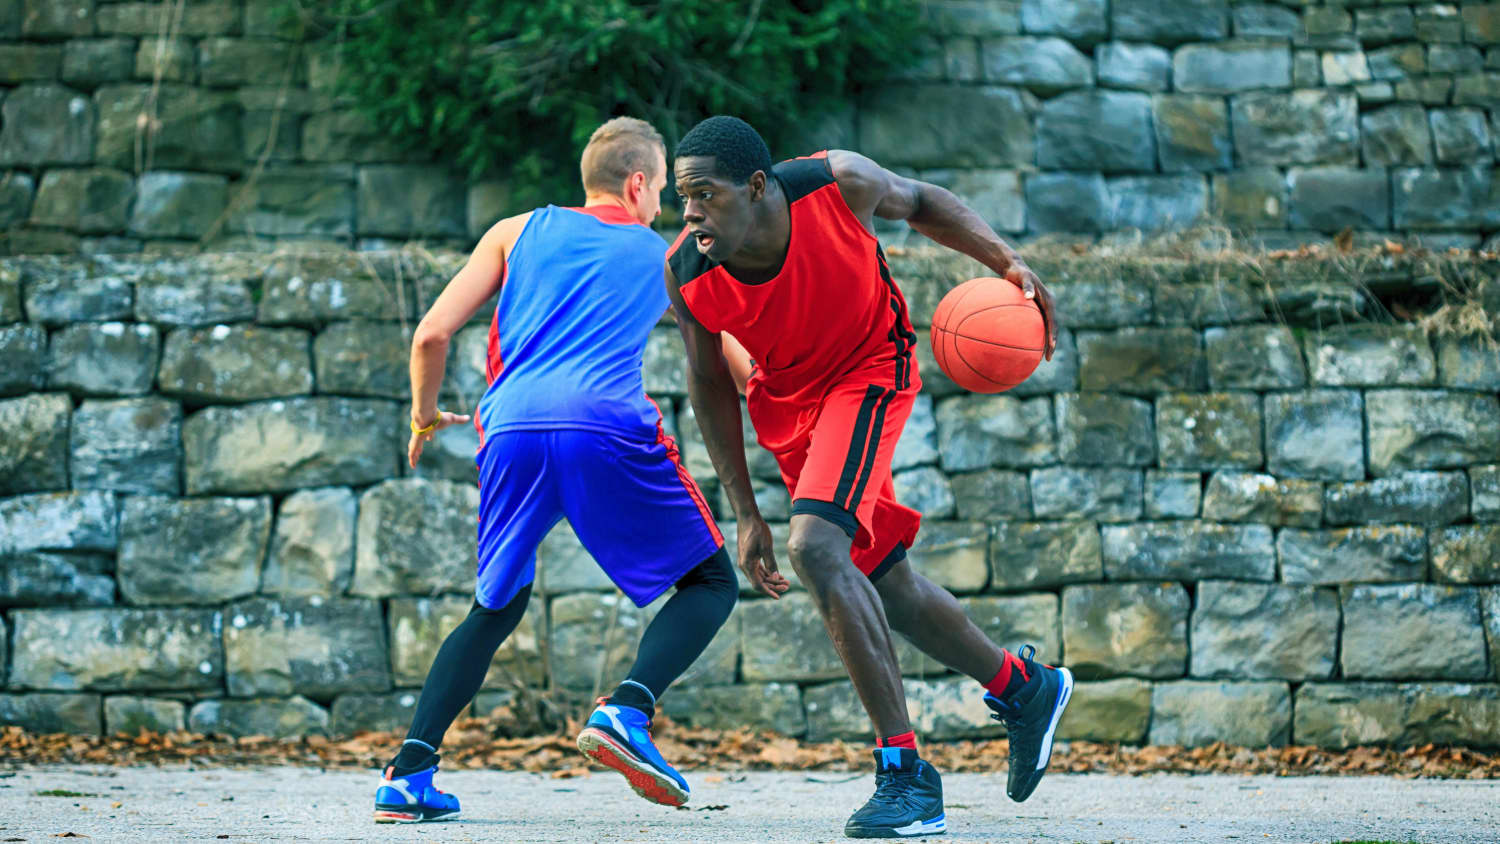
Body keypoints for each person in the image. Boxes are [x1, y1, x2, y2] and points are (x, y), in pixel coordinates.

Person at [665, 116, 1069, 839]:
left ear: (757, 187)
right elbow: (708, 385)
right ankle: (1024, 688)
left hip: (870, 370)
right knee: (886, 585)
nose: (690, 210)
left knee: (818, 549)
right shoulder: (690, 272)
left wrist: (1006, 261)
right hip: (790, 407)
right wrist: (746, 511)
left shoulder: (835, 183)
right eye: (681, 196)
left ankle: (905, 775)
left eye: (705, 193)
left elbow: (919, 201)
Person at [374, 116, 737, 823]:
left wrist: (423, 419)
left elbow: (432, 334)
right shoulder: (670, 256)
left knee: (496, 603)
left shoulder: (513, 231)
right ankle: (629, 711)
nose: (663, 204)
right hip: (603, 425)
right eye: (661, 189)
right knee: (710, 581)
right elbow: (735, 363)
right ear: (638, 184)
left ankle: (408, 775)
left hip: (508, 428)